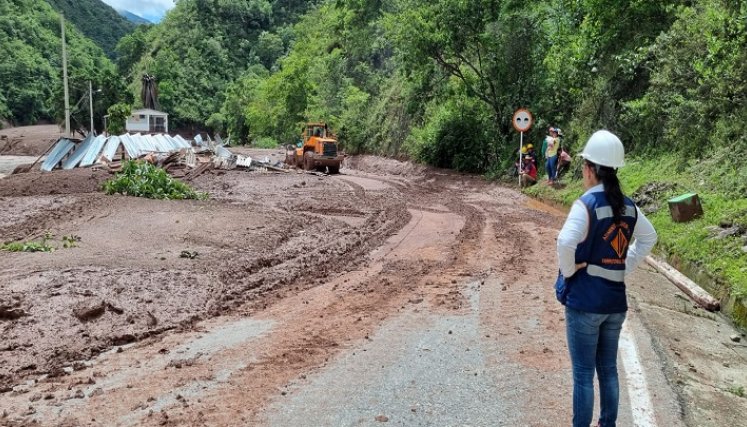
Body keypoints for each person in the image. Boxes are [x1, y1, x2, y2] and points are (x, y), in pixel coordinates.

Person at [555, 130, 657, 427]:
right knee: (608, 370)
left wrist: (570, 270)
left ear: (589, 169)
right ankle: (607, 423)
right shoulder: (628, 205)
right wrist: (624, 266)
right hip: (615, 303)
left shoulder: (585, 203)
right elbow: (649, 237)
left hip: (585, 302)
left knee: (584, 375)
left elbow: (564, 243)